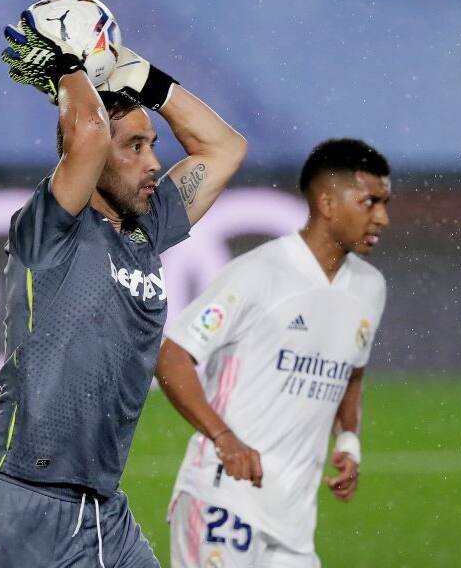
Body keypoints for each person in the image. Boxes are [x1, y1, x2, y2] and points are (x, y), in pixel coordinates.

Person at [0, 9, 246, 568]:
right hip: (22, 502)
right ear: (92, 161)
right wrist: (67, 67)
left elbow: (224, 149)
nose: (154, 162)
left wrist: (139, 75)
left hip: (103, 512)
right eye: (135, 148)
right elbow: (91, 133)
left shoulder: (147, 230)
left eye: (154, 145)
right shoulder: (48, 230)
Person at [156, 138, 391, 567]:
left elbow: (351, 371)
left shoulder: (370, 288)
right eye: (370, 201)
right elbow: (172, 355)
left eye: (385, 203)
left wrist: (350, 439)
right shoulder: (258, 273)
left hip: (294, 525)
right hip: (222, 501)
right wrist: (224, 438)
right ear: (328, 202)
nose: (383, 217)